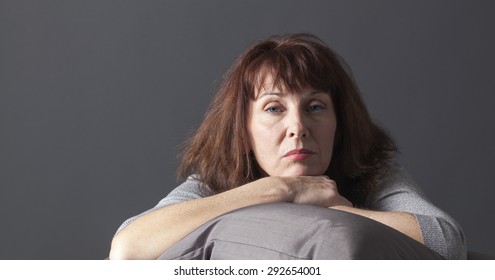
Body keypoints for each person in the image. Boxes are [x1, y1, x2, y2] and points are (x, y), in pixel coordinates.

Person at [109, 33, 466, 260]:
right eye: (274, 108)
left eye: (315, 107)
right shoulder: (213, 181)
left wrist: (330, 208)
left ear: (338, 124)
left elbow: (446, 241)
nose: (298, 128)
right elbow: (128, 247)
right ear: (244, 132)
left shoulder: (373, 172)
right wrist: (279, 190)